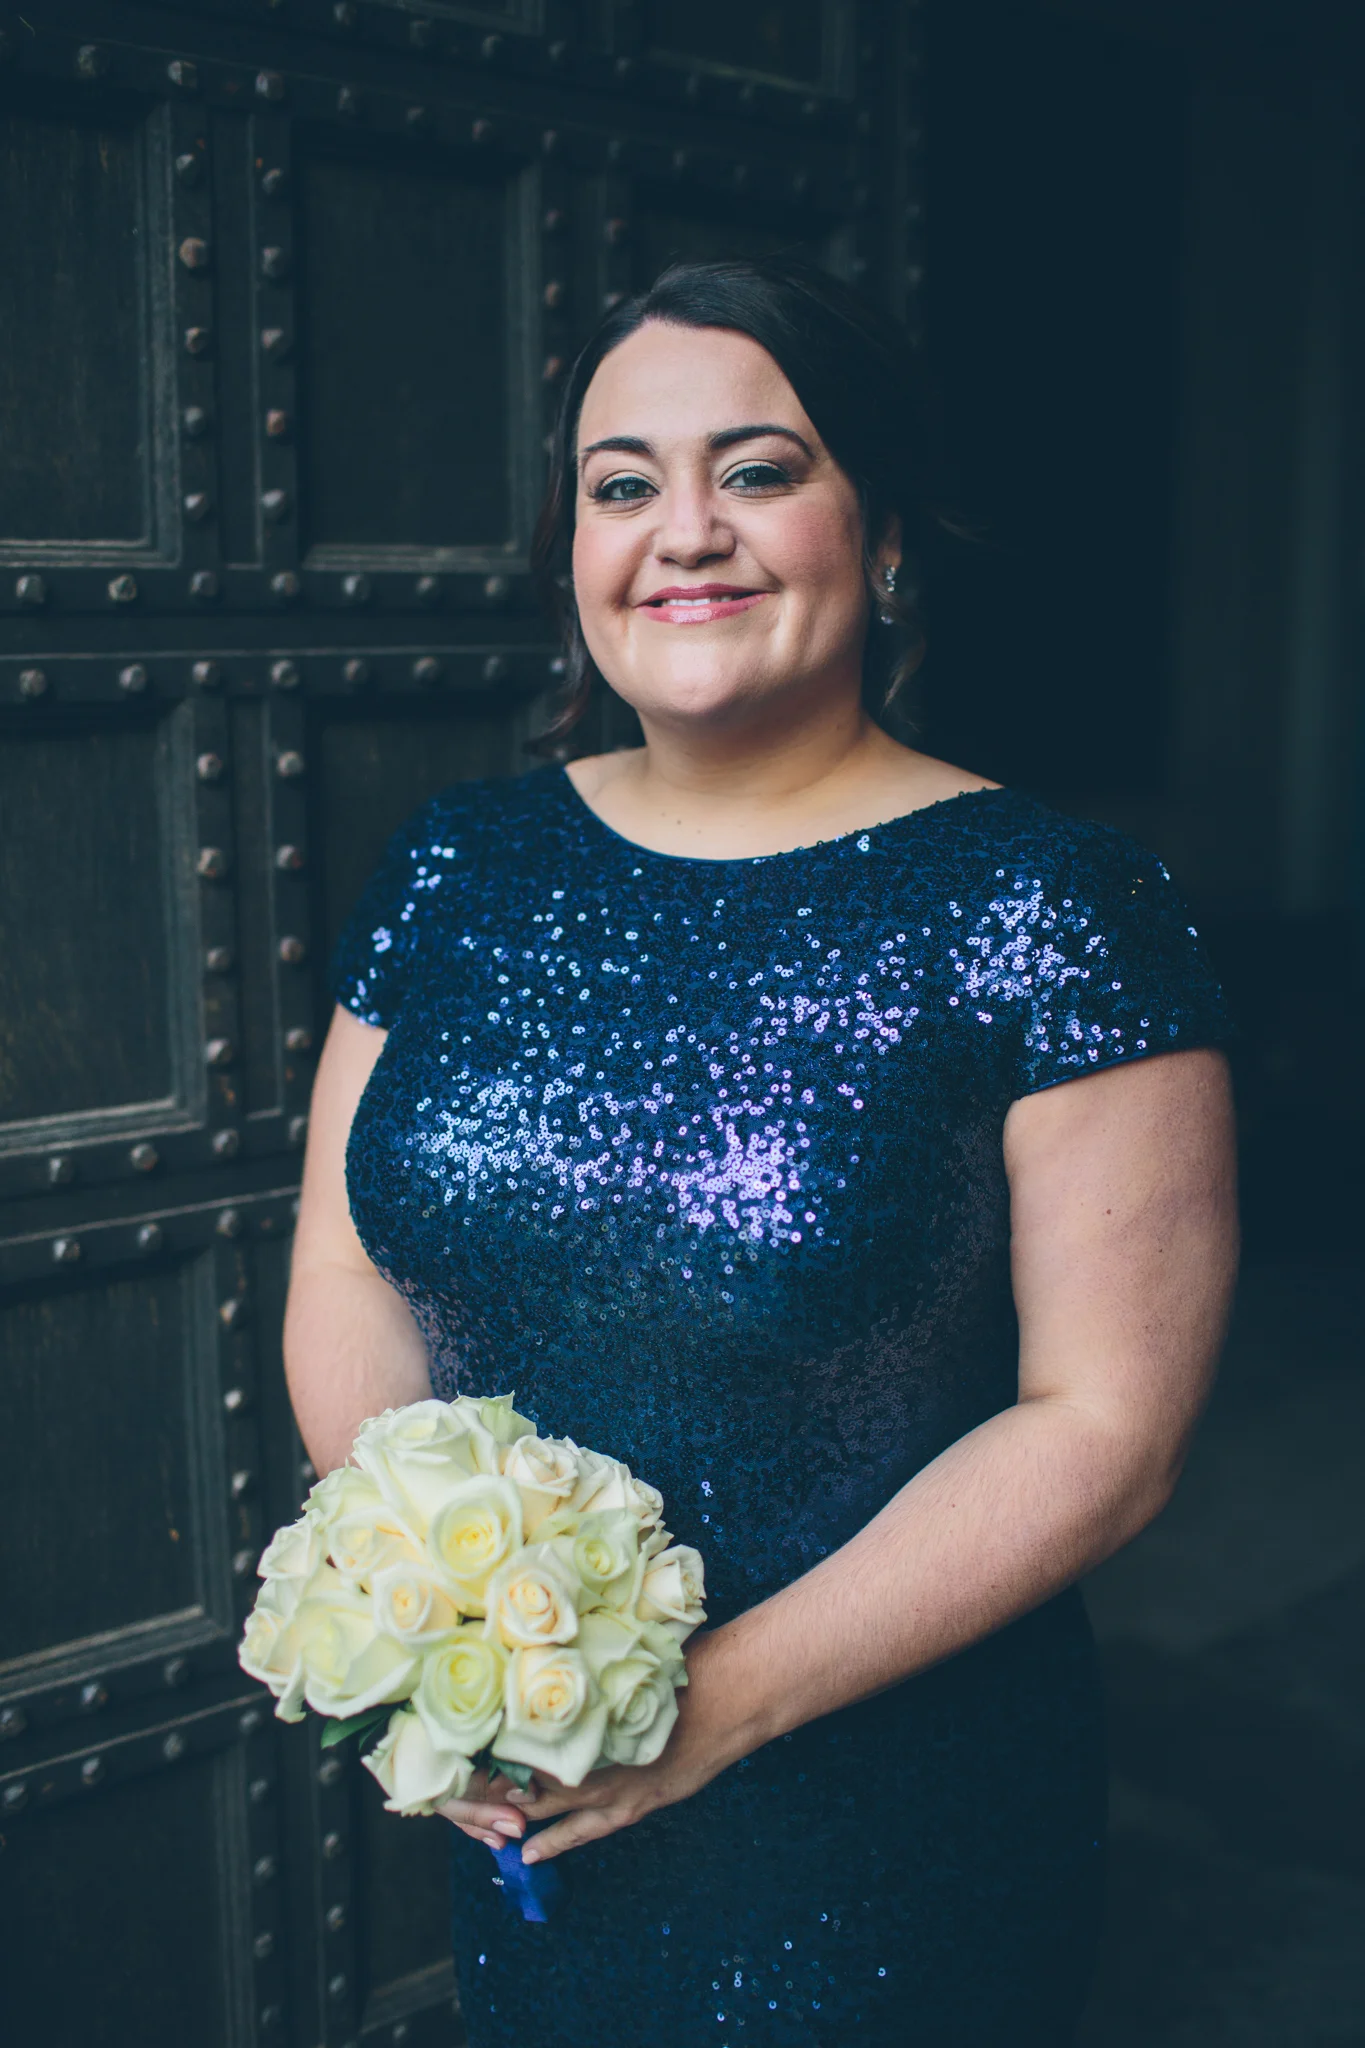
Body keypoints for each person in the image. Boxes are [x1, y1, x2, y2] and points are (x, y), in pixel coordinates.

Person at [285, 258, 1237, 2046]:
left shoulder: (1050, 905)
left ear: (881, 534)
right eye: (623, 484)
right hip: (540, 1799)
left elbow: (1108, 1425)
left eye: (762, 469)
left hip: (885, 1825)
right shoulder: (456, 867)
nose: (684, 533)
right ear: (575, 551)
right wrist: (446, 1631)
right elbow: (346, 1261)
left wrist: (701, 1710)